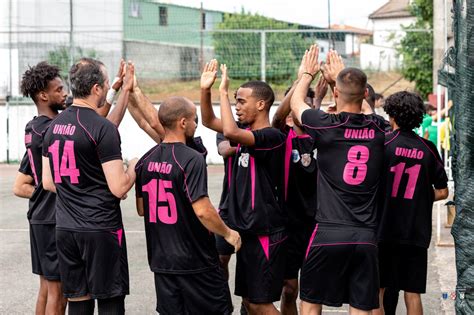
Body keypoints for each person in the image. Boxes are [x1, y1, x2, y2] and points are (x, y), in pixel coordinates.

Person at [290, 44, 387, 315]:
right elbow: (368, 110)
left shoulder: (326, 125)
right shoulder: (379, 129)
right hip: (366, 236)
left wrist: (306, 75)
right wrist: (344, 75)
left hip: (329, 233)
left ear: (335, 93)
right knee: (361, 308)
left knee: (310, 301)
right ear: (366, 94)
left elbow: (297, 105)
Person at [42, 57, 138, 315]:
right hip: (100, 228)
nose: (108, 87)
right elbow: (119, 188)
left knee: (79, 301)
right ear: (96, 89)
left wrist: (120, 90)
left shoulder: (52, 128)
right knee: (110, 300)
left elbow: (48, 182)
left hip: (65, 228)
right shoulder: (102, 128)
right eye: (106, 84)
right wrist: (134, 168)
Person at [135, 96, 241, 314]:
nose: (196, 124)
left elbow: (142, 209)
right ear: (183, 122)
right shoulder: (191, 159)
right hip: (195, 261)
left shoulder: (145, 160)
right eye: (194, 120)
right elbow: (202, 211)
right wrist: (228, 233)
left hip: (162, 262)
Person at [200, 60, 287, 315]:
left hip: (265, 232)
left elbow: (228, 130)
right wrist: (206, 90)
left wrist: (224, 93)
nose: (236, 107)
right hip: (246, 231)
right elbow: (208, 120)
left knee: (260, 304)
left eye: (241, 101)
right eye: (235, 101)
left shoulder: (271, 137)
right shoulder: (243, 131)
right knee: (249, 302)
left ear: (260, 104)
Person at [376, 91, 449, 315]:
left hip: (383, 230)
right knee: (412, 292)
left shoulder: (383, 144)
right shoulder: (428, 148)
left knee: (377, 290)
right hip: (415, 232)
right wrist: (421, 197)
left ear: (392, 116)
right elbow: (443, 191)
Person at [12, 61, 68, 315]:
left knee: (46, 287)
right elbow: (97, 121)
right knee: (59, 290)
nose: (65, 93)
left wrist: (40, 192)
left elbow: (19, 185)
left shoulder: (36, 132)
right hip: (50, 219)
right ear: (44, 95)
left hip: (39, 217)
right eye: (59, 90)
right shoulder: (50, 130)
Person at [271, 55, 323, 315]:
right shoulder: (282, 136)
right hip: (288, 224)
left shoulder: (320, 136)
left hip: (317, 224)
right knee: (289, 288)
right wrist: (302, 79)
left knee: (313, 292)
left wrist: (319, 96)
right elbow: (278, 117)